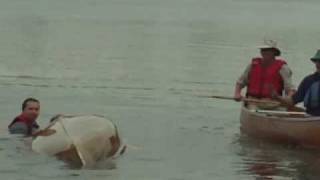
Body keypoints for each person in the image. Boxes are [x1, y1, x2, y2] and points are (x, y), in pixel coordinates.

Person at [274, 50, 320, 116]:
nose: (318, 64)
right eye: (317, 61)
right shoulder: (308, 80)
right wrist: (277, 97)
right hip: (311, 117)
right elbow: (292, 101)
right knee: (289, 109)